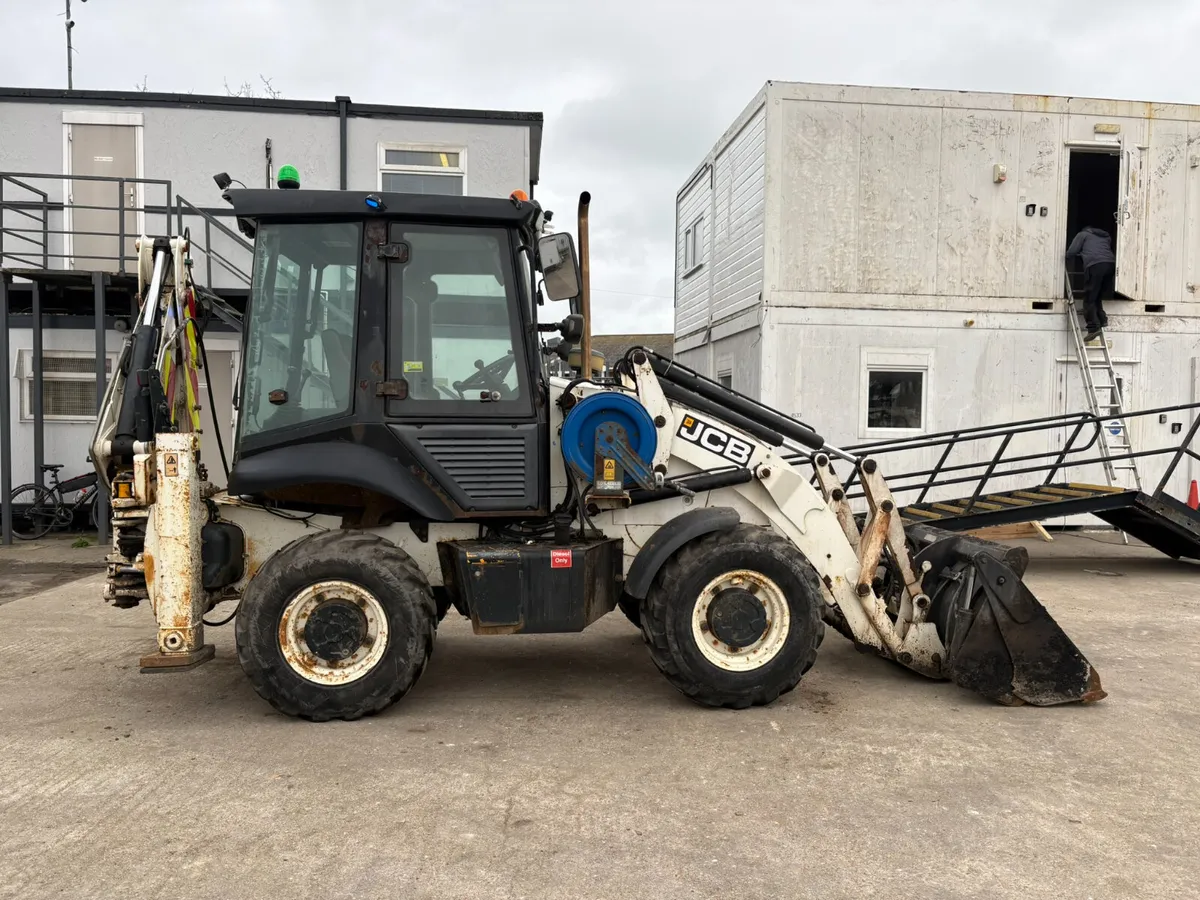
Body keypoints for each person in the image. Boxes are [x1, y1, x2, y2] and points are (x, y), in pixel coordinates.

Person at [1066, 225, 1116, 341]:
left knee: (1089, 298)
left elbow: (1072, 251)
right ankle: (1102, 319)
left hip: (1095, 266)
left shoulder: (1082, 235)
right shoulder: (1105, 237)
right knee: (1097, 295)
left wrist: (1068, 256)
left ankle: (1093, 328)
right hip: (1111, 265)